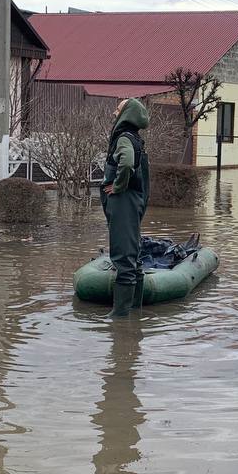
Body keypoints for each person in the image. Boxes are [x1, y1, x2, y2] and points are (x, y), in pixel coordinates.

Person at [101, 98, 151, 317]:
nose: (114, 113)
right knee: (133, 255)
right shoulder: (136, 139)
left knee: (123, 257)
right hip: (134, 201)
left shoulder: (123, 139)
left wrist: (119, 186)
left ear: (126, 114)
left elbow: (127, 163)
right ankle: (134, 313)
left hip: (124, 203)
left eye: (118, 109)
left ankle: (120, 318)